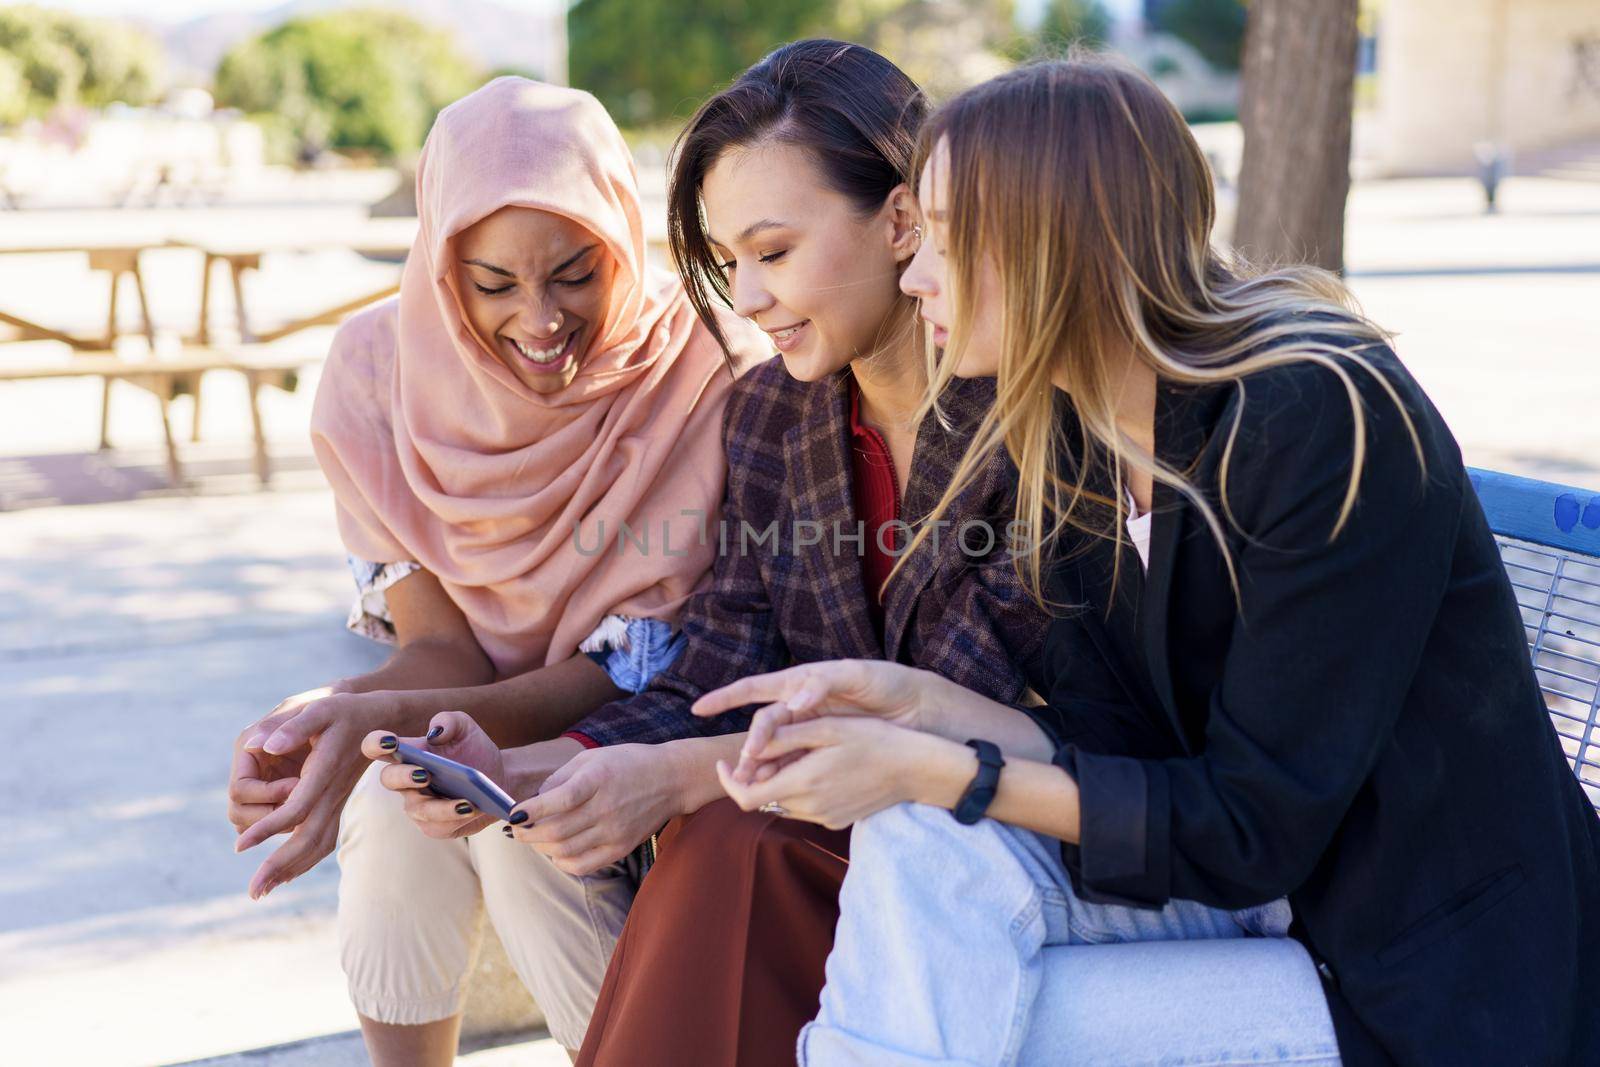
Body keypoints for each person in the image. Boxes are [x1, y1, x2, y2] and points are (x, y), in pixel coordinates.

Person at [695, 55, 1600, 1066]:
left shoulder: (1318, 416)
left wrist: (940, 766)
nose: (913, 276)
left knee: (973, 1013)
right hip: (1255, 908)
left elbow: (1254, 818)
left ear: (1046, 245)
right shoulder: (1078, 431)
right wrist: (915, 705)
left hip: (1419, 980)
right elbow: (1115, 732)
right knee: (922, 859)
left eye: (941, 241)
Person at [364, 41, 1052, 1067]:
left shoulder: (1033, 406)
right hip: (815, 817)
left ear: (902, 220)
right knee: (565, 837)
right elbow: (721, 663)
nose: (747, 296)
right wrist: (523, 762)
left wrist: (688, 776)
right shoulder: (774, 410)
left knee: (732, 839)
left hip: (984, 821)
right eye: (728, 262)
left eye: (771, 252)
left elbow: (965, 693)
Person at [224, 76, 761, 1065]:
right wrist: (331, 713)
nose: (542, 321)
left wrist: (419, 733)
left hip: (645, 746)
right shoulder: (376, 377)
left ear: (620, 238)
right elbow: (442, 647)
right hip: (480, 734)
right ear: (439, 265)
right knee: (397, 797)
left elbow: (647, 668)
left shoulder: (708, 370)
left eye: (573, 273)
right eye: (493, 283)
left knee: (514, 832)